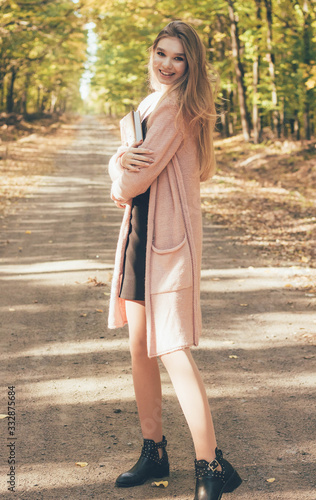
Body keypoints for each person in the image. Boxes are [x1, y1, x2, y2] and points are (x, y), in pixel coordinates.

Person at [107, 20, 242, 499]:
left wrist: (117, 175)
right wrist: (119, 163)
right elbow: (124, 158)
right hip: (139, 238)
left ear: (192, 65)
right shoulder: (149, 103)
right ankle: (154, 451)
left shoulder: (177, 109)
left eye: (179, 57)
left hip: (167, 243)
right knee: (141, 347)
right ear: (152, 55)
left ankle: (211, 466)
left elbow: (131, 179)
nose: (167, 64)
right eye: (162, 54)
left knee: (171, 349)